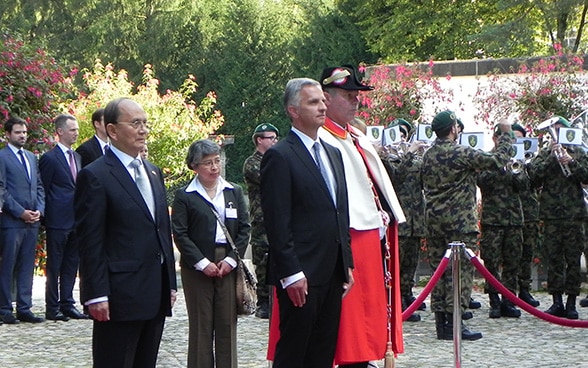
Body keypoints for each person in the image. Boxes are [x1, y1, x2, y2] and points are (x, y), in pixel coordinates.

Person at [74, 98, 177, 367]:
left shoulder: (153, 172)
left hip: (154, 291)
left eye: (145, 123)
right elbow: (90, 239)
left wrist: (170, 282)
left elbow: (161, 230)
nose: (143, 130)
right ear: (113, 130)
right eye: (135, 123)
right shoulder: (96, 175)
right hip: (119, 295)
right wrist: (96, 293)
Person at [261, 77, 353, 368]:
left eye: (323, 101)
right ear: (293, 110)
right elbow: (277, 221)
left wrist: (346, 261)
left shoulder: (333, 154)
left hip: (332, 270)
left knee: (323, 350)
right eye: (313, 102)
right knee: (294, 350)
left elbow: (340, 211)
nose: (322, 107)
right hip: (301, 273)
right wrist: (290, 273)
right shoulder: (280, 156)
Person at [319, 65, 406, 367]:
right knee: (351, 315)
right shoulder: (322, 139)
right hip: (349, 235)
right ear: (326, 99)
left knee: (368, 310)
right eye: (348, 95)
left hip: (370, 234)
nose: (355, 101)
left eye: (356, 95)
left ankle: (364, 355)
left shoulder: (354, 135)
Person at [421, 110, 513, 341]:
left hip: (434, 222)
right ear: (453, 129)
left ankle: (442, 324)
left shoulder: (428, 155)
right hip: (459, 223)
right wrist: (506, 135)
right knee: (459, 274)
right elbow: (496, 161)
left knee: (439, 273)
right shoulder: (460, 152)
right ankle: (456, 324)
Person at [172, 139, 250, 368]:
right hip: (197, 267)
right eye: (207, 163)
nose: (215, 167)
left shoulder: (233, 191)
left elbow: (244, 229)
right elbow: (180, 233)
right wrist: (201, 263)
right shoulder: (185, 195)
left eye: (217, 161)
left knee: (227, 324)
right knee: (201, 325)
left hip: (227, 264)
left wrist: (231, 260)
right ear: (195, 166)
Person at [527, 116, 588, 319]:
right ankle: (556, 302)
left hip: (574, 215)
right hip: (551, 215)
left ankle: (571, 302)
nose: (557, 134)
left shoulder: (578, 151)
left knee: (572, 260)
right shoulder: (545, 153)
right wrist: (551, 158)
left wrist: (571, 161)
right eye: (554, 131)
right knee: (554, 259)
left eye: (560, 130)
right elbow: (533, 177)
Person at [39, 114, 88, 321]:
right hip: (57, 220)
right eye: (72, 130)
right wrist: (45, 216)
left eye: (77, 129)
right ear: (60, 132)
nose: (76, 133)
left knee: (71, 264)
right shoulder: (49, 158)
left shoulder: (77, 157)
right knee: (55, 264)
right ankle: (52, 307)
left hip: (76, 218)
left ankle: (67, 303)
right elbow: (44, 188)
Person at [381, 118, 427, 323]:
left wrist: (423, 155)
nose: (401, 137)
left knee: (410, 262)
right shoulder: (385, 158)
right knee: (395, 265)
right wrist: (408, 154)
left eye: (404, 133)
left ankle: (407, 295)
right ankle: (395, 301)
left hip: (415, 218)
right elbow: (396, 178)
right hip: (398, 221)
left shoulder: (415, 158)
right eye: (397, 133)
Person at [0, 116, 45, 324]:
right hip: (12, 221)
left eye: (25, 132)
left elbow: (39, 187)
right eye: (18, 132)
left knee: (28, 265)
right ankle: (4, 308)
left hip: (32, 220)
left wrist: (39, 210)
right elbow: (2, 189)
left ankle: (25, 308)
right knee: (8, 265)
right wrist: (20, 212)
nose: (23, 136)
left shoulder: (30, 157)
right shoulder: (2, 157)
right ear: (8, 134)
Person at [476, 127, 525, 318]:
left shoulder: (517, 158)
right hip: (492, 220)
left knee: (512, 263)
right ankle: (494, 301)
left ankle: (509, 301)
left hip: (513, 219)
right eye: (502, 138)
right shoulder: (487, 158)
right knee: (491, 262)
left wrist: (514, 170)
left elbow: (524, 185)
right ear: (495, 138)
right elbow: (482, 182)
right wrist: (499, 165)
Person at [242, 123, 279, 319]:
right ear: (259, 140)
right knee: (263, 260)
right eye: (270, 138)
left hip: (278, 217)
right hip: (261, 219)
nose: (275, 141)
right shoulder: (252, 163)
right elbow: (270, 179)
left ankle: (276, 299)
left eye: (275, 138)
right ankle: (263, 301)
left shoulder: (277, 159)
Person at [511, 123, 541, 307]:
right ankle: (507, 294)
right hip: (509, 213)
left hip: (529, 212)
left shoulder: (532, 160)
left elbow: (538, 181)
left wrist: (527, 164)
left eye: (520, 138)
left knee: (526, 253)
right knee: (510, 255)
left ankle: (524, 290)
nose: (517, 142)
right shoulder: (499, 155)